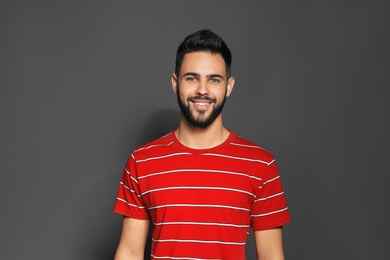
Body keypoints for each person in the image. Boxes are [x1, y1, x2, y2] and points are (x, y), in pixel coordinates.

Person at [113, 29, 290, 260]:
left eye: (214, 79)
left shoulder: (260, 165)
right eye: (192, 78)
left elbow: (271, 257)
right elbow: (129, 252)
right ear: (175, 83)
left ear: (229, 86)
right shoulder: (142, 162)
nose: (202, 90)